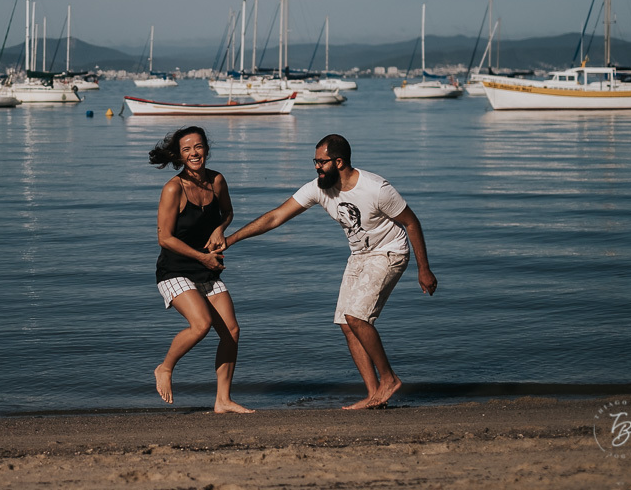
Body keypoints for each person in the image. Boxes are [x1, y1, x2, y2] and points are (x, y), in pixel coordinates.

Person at [221, 133, 436, 410]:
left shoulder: (376, 188)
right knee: (347, 323)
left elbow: (411, 222)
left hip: (389, 252)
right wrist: (231, 240)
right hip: (359, 255)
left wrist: (424, 269)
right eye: (315, 161)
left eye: (321, 162)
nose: (316, 167)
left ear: (339, 162)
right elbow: (276, 216)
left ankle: (389, 379)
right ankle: (374, 395)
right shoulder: (319, 188)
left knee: (357, 316)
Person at [150, 126, 254, 414]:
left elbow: (228, 212)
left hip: (206, 269)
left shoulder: (217, 180)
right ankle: (165, 367)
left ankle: (223, 400)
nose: (194, 153)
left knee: (231, 330)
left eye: (198, 147)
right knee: (201, 324)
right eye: (187, 149)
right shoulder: (174, 188)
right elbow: (164, 238)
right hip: (174, 270)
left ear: (206, 148)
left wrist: (220, 229)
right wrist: (202, 257)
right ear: (179, 156)